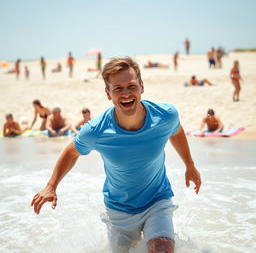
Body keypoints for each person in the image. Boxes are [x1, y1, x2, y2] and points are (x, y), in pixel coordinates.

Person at [31, 57, 201, 253]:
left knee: (162, 249)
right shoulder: (97, 130)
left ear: (142, 87)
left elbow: (176, 131)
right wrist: (51, 186)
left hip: (157, 200)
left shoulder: (165, 116)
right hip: (119, 210)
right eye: (118, 88)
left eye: (131, 86)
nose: (126, 93)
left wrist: (189, 165)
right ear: (108, 93)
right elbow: (71, 151)